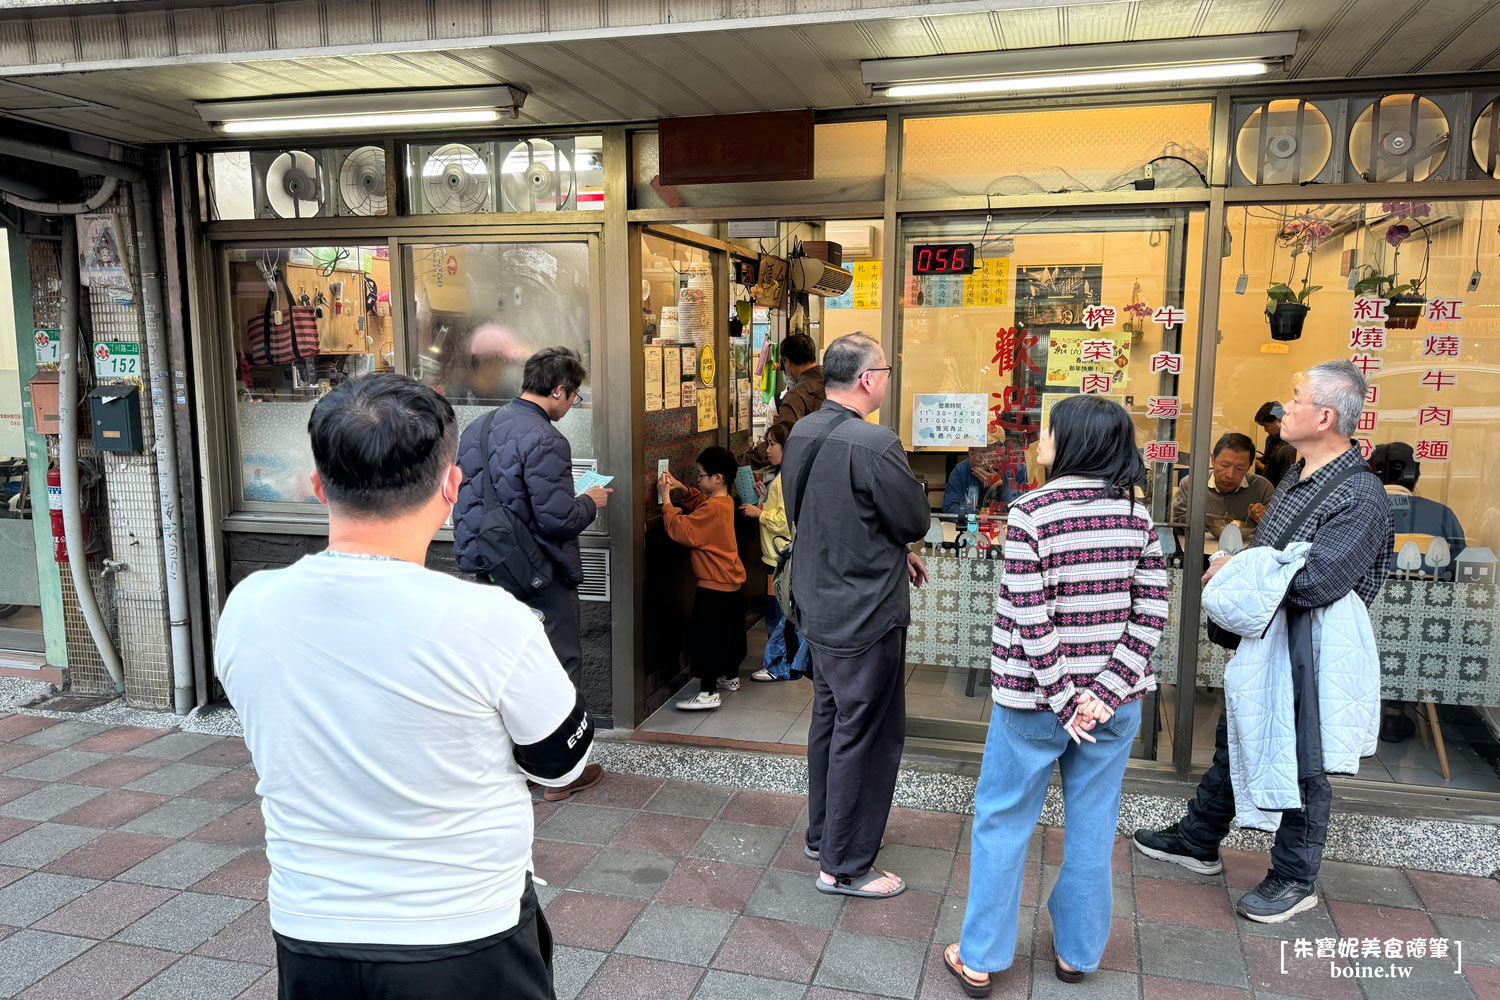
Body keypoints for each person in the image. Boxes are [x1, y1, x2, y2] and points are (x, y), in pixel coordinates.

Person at [217, 374, 592, 1000]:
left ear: (318, 487)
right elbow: (563, 762)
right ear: (451, 487)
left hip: (309, 928)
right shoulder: (492, 621)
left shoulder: (249, 607)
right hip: (466, 931)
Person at [1135, 361, 1393, 923]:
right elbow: (1275, 562)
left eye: (1296, 398)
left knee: (1304, 758)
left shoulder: (1361, 494)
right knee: (1239, 736)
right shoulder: (1301, 475)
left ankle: (1295, 877)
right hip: (1270, 642)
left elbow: (1318, 580)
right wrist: (1244, 566)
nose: (1286, 406)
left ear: (1325, 416)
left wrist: (1236, 566)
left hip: (1310, 654)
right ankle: (1201, 837)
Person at [944, 394, 1168, 994]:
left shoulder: (1031, 513)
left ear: (1070, 442)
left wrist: (1067, 699)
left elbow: (1029, 616)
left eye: (1048, 430)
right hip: (1113, 707)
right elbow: (1151, 613)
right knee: (1093, 829)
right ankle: (1077, 954)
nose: (1039, 438)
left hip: (1032, 703)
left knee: (1003, 822)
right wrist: (1104, 691)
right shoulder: (1138, 516)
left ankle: (983, 958)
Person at [780, 332, 931, 899]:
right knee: (865, 733)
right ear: (867, 379)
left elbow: (830, 513)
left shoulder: (803, 430)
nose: (887, 380)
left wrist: (897, 550)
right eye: (886, 371)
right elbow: (912, 517)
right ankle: (843, 865)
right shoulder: (876, 443)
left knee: (831, 719)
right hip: (864, 612)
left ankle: (824, 834)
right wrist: (904, 544)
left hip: (818, 603)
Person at [453, 346, 609, 801]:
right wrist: (591, 502)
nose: (571, 406)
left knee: (499, 668)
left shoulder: (477, 428)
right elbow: (557, 519)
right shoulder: (546, 440)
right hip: (536, 572)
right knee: (559, 663)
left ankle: (507, 766)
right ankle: (560, 772)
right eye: (574, 397)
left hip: (485, 565)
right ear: (559, 390)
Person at [1371, 441, 1467, 743]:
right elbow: (1459, 571)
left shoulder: (1353, 511)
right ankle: (1394, 712)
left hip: (1359, 630)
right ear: (1415, 476)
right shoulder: (1441, 515)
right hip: (1420, 638)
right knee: (1408, 625)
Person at [660, 446, 749, 711]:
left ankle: (708, 692)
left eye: (700, 475)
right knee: (730, 635)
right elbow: (702, 504)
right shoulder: (725, 502)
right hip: (731, 583)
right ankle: (730, 677)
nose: (697, 479)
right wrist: (682, 489)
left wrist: (666, 499)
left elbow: (681, 529)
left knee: (706, 639)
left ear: (717, 478)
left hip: (713, 585)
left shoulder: (713, 509)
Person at [739, 421, 810, 683]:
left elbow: (783, 519)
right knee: (784, 612)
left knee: (778, 614)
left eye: (772, 443)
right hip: (784, 557)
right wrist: (764, 495)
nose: (767, 449)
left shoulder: (783, 480)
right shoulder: (787, 476)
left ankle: (777, 665)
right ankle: (789, 663)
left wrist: (758, 512)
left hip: (778, 559)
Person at [1171, 432, 1276, 541]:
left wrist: (1264, 520)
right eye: (1224, 466)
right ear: (1213, 460)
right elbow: (1174, 527)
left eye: (1239, 469)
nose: (1230, 475)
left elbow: (1277, 533)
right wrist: (1194, 518)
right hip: (1199, 554)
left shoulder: (1263, 488)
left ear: (1249, 466)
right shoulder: (1192, 484)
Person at [747, 333, 825, 469]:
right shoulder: (832, 380)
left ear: (787, 362)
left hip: (806, 468)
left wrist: (741, 463)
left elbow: (780, 440)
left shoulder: (796, 394)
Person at [942, 445, 1025, 516]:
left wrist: (1002, 486)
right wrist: (975, 515)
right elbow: (949, 508)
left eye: (985, 452)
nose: (977, 458)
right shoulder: (960, 471)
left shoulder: (1017, 469)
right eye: (972, 451)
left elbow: (1022, 511)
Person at [1254, 401, 1298, 489]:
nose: (1265, 430)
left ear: (1279, 420)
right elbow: (1268, 460)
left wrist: (1260, 466)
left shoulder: (1291, 444)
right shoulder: (1271, 439)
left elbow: (1281, 474)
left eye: (1267, 426)